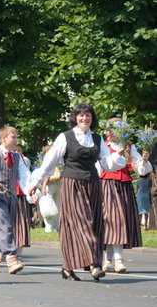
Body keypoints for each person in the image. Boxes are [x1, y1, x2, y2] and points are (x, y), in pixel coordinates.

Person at [31, 103, 126, 281]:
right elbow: (50, 162)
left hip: (93, 184)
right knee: (84, 222)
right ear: (75, 118)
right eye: (81, 116)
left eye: (88, 116)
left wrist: (119, 156)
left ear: (92, 119)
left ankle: (68, 266)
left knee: (94, 224)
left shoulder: (97, 139)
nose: (84, 118)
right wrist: (36, 182)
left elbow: (106, 163)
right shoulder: (66, 137)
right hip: (72, 184)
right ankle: (94, 263)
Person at [0, 126, 38, 274]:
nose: (16, 140)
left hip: (11, 198)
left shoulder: (17, 158)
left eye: (16, 137)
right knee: (4, 226)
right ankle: (11, 258)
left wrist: (31, 193)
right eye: (13, 137)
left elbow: (24, 177)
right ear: (4, 138)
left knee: (3, 228)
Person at [99, 119, 152, 273]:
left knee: (118, 221)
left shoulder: (129, 146)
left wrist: (145, 161)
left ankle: (108, 261)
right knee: (115, 220)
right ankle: (118, 260)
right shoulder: (104, 146)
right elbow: (101, 166)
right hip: (107, 185)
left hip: (124, 185)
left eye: (115, 129)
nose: (111, 132)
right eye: (110, 129)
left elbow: (140, 170)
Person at [12, 145, 33, 263]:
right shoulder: (1, 158)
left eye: (18, 150)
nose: (16, 152)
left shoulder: (23, 161)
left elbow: (27, 177)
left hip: (21, 194)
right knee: (5, 225)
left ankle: (18, 255)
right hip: (7, 194)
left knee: (21, 225)